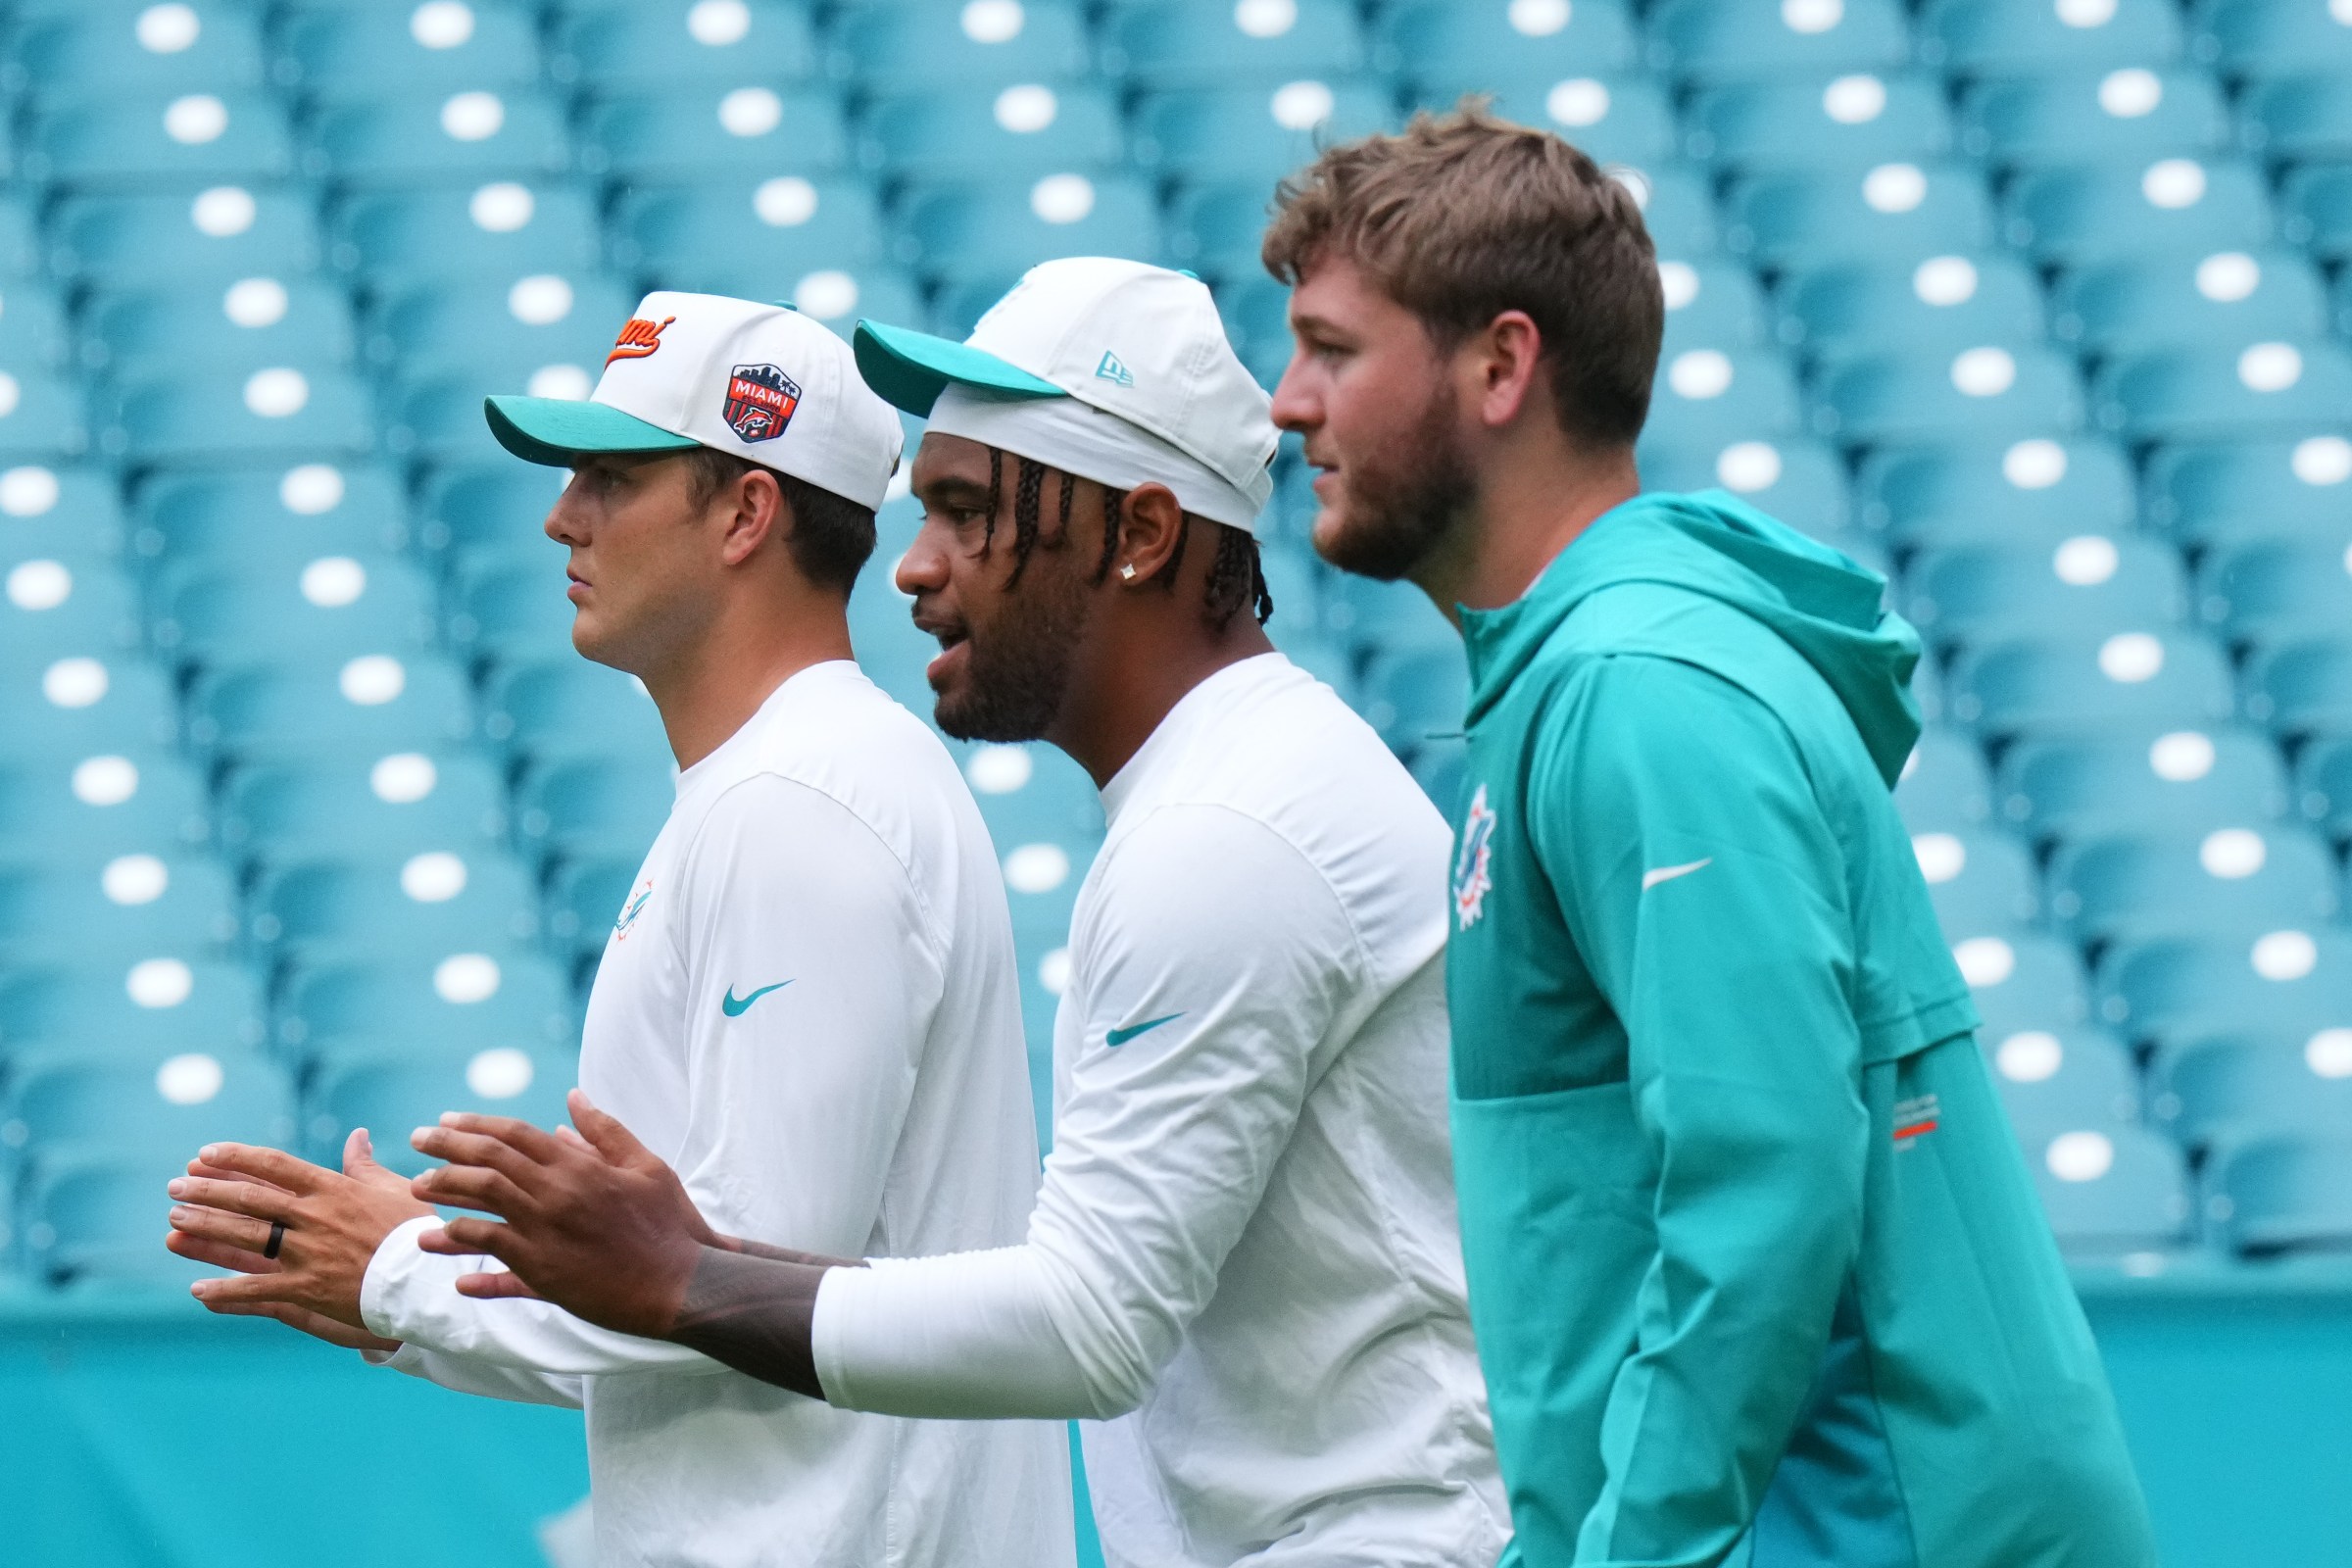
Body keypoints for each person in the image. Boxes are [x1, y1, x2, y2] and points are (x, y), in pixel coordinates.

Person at [389, 258, 1510, 1568]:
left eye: (970, 514)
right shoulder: (1221, 798)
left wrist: (676, 1279)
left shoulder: (1225, 832)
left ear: (1142, 536)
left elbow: (1088, 1323)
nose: (914, 568)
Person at [1257, 105, 2160, 1568]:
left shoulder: (1639, 697)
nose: (1287, 400)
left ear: (1501, 364)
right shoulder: (1586, 680)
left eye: (1333, 349)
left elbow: (1764, 1184)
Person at [161, 292, 1072, 1568]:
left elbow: (743, 1288)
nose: (560, 517)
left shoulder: (795, 805)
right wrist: (407, 1281)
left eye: (609, 476)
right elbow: (699, 1305)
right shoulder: (795, 785)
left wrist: (401, 1273)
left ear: (747, 512)